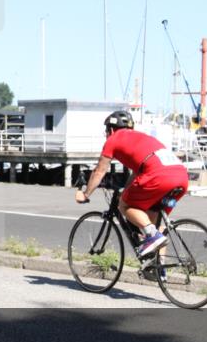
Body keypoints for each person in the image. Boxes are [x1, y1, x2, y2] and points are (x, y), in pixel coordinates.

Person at [74, 110, 189, 262]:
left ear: (111, 130)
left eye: (107, 131)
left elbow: (99, 171)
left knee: (124, 206)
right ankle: (158, 267)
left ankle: (152, 235)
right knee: (155, 222)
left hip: (159, 177)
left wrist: (85, 194)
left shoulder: (113, 139)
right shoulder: (142, 138)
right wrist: (127, 190)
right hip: (181, 178)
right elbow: (137, 173)